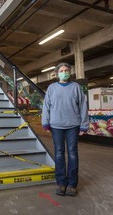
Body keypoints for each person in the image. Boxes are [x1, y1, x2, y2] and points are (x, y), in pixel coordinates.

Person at [41, 62, 89, 197]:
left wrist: (84, 125)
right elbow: (46, 106)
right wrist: (45, 122)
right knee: (59, 153)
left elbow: (83, 107)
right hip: (56, 126)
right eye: (61, 70)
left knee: (73, 153)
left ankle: (72, 185)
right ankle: (61, 183)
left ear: (69, 72)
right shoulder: (52, 88)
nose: (64, 72)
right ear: (57, 73)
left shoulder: (76, 87)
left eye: (66, 70)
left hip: (73, 126)